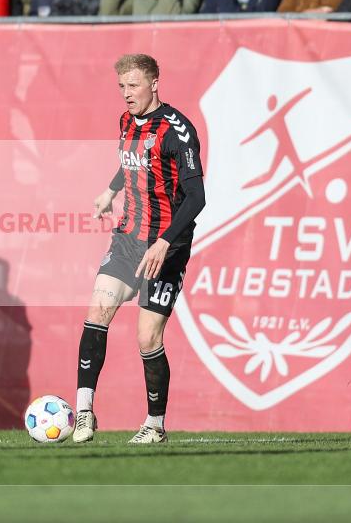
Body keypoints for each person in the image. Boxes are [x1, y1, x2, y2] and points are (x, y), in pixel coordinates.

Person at [71, 54, 205, 445]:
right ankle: (83, 414)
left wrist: (165, 241)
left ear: (154, 83)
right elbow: (132, 163)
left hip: (166, 245)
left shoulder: (178, 132)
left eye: (133, 85)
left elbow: (197, 197)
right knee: (97, 311)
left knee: (147, 338)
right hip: (128, 238)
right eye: (122, 87)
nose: (127, 94)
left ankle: (155, 425)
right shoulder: (127, 121)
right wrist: (110, 191)